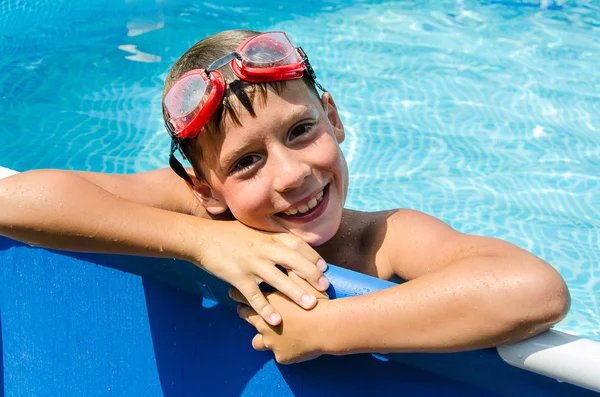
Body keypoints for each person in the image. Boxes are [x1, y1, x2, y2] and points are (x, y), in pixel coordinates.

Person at [0, 29, 569, 364]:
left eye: (301, 131)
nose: (291, 174)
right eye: (246, 162)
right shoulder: (199, 214)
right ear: (205, 190)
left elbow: (532, 290)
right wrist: (199, 240)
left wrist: (326, 330)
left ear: (336, 119)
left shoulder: (379, 241)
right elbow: (13, 201)